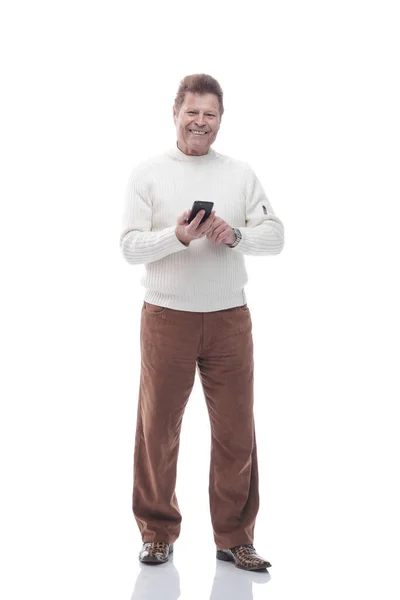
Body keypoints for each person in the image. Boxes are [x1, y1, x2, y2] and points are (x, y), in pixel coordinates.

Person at [120, 74, 284, 571]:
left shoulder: (239, 173)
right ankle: (156, 532)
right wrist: (178, 236)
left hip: (230, 318)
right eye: (192, 112)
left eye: (209, 114)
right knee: (158, 428)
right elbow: (129, 246)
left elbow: (275, 236)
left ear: (220, 119)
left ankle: (235, 536)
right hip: (167, 317)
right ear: (175, 113)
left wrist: (234, 235)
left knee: (236, 430)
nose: (200, 121)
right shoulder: (148, 174)